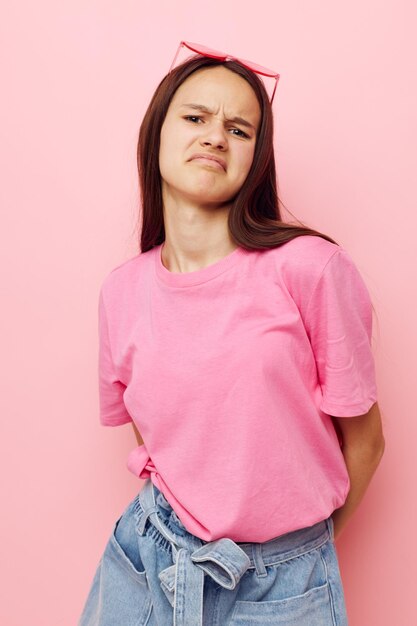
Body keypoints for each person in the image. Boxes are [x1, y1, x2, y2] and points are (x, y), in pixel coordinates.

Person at [79, 41, 385, 626]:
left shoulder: (311, 268)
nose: (216, 136)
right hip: (147, 558)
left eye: (239, 129)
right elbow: (157, 436)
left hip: (283, 583)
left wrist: (298, 554)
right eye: (195, 117)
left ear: (255, 159)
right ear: (157, 134)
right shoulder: (120, 292)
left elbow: (366, 443)